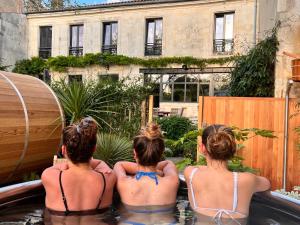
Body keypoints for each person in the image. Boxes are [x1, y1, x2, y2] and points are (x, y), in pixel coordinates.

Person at [184, 124, 270, 225]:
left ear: (202, 148)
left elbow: (198, 167)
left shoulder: (191, 174)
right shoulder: (247, 180)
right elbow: (267, 183)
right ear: (233, 149)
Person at [42, 117, 116, 216]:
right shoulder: (109, 178)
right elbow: (100, 163)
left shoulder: (49, 176)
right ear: (94, 149)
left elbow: (58, 167)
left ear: (63, 150)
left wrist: (67, 163)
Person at [113, 123, 179, 207]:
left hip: (131, 220)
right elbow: (168, 163)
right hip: (163, 220)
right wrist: (155, 169)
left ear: (135, 153)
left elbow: (119, 164)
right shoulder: (172, 181)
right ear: (161, 153)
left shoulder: (124, 183)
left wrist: (145, 165)